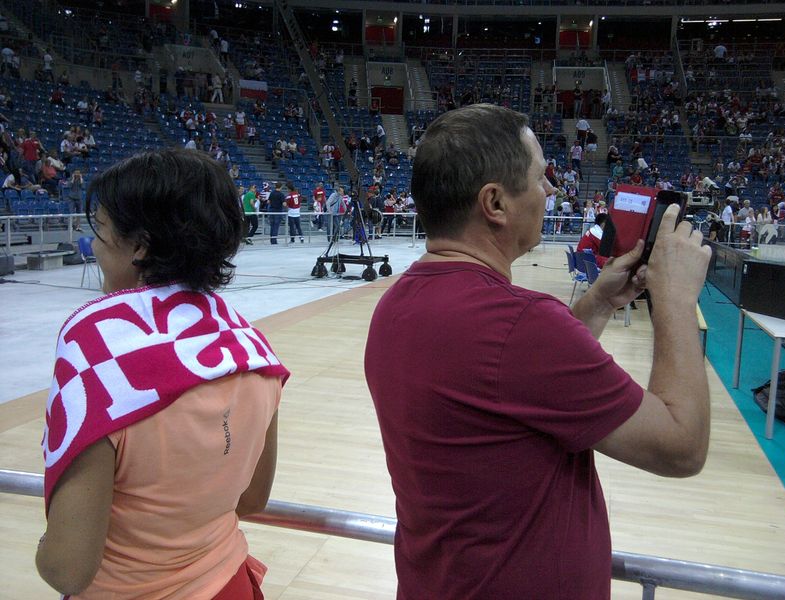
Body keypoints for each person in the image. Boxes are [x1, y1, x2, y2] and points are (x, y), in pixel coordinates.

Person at [364, 104, 711, 600]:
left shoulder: (394, 306)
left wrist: (599, 303)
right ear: (495, 202)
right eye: (540, 176)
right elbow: (681, 446)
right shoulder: (521, 324)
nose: (550, 189)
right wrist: (674, 299)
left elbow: (513, 388)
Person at [36, 148, 289, 599]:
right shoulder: (252, 348)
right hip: (229, 583)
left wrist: (46, 547)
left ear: (139, 246)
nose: (94, 245)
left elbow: (68, 569)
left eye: (100, 229)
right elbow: (252, 500)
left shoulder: (96, 345)